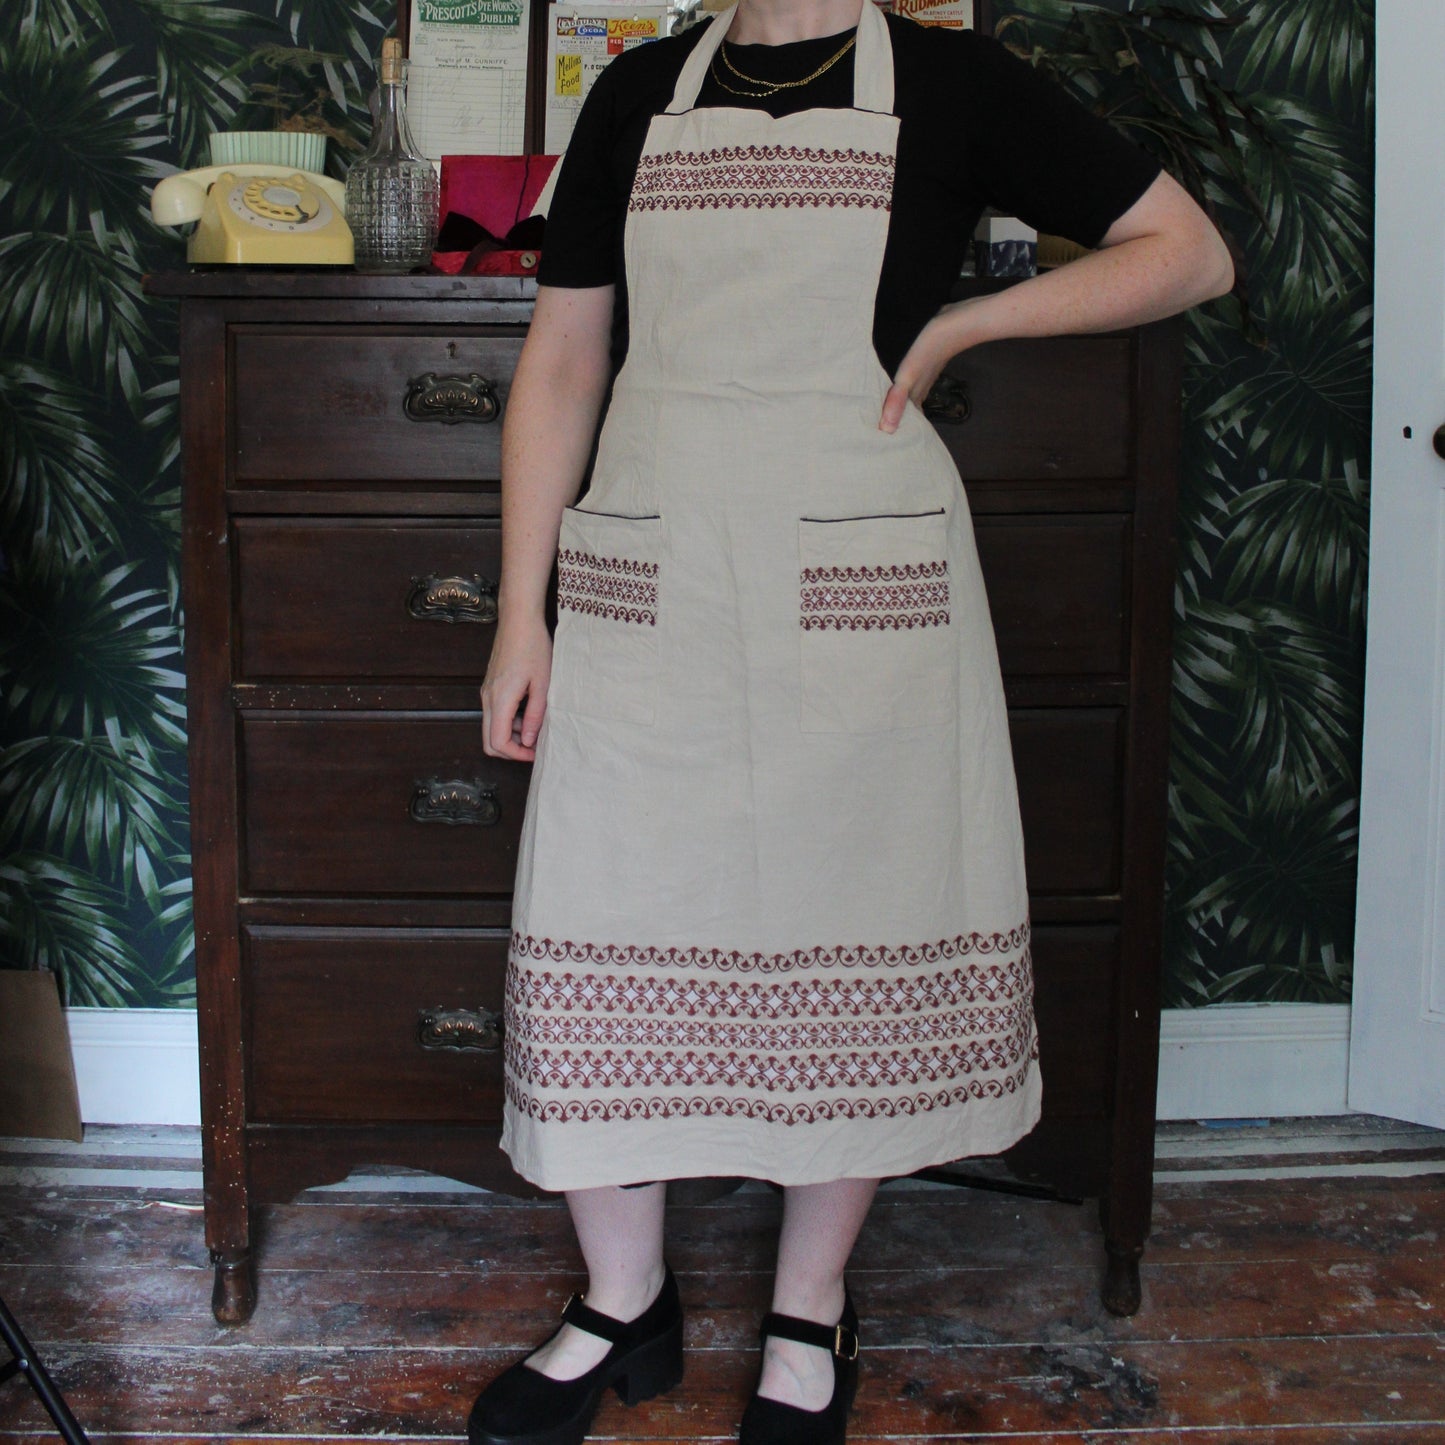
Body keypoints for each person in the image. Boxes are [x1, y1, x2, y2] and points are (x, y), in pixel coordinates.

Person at [473, 1, 1233, 1441]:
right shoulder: (638, 87)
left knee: (856, 908)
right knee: (606, 914)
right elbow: (566, 357)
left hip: (861, 575)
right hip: (650, 567)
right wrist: (523, 611)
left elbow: (1187, 253)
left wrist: (964, 321)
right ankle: (618, 1300)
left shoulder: (953, 81)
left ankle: (809, 1307)